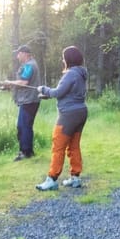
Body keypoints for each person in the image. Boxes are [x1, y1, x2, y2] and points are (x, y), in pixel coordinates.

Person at [34, 45, 88, 191]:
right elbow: (68, 93)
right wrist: (48, 94)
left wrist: (43, 89)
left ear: (68, 59)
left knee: (58, 145)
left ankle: (51, 179)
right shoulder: (81, 73)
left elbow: (58, 92)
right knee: (74, 146)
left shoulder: (71, 74)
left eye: (63, 57)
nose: (62, 60)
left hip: (68, 115)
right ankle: (75, 178)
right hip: (81, 112)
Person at [1, 45, 41, 161]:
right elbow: (24, 83)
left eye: (18, 53)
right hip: (30, 100)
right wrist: (9, 86)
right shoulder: (29, 64)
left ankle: (25, 152)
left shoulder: (29, 65)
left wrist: (9, 82)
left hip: (29, 101)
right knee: (25, 126)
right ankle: (28, 151)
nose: (17, 56)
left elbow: (24, 82)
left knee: (23, 126)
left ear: (24, 54)